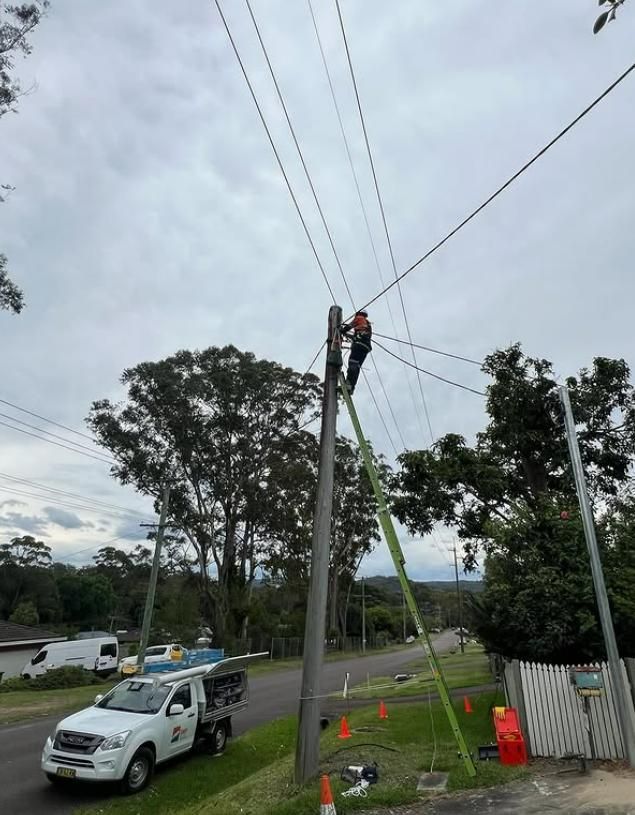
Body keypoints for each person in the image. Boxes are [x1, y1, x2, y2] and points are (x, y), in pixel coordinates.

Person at [341, 310, 372, 394]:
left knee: (353, 363)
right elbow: (358, 335)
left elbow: (350, 326)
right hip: (366, 347)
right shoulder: (367, 324)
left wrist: (342, 330)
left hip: (358, 344)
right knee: (357, 366)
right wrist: (347, 335)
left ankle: (348, 384)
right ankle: (352, 387)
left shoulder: (359, 318)